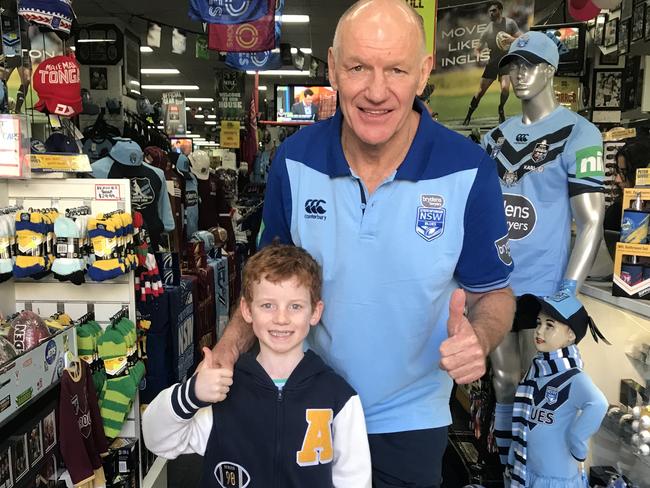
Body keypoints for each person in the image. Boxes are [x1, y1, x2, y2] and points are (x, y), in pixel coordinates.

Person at [211, 1, 516, 486]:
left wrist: (478, 338)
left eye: (396, 69)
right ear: (332, 68)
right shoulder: (294, 161)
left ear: (423, 73)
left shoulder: (468, 170)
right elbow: (264, 286)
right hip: (308, 404)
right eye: (358, 68)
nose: (377, 91)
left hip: (410, 421)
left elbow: (494, 292)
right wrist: (228, 350)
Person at [143, 244, 372, 487]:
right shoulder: (221, 390)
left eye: (295, 306)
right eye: (267, 305)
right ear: (247, 310)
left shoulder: (339, 397)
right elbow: (157, 440)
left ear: (315, 312)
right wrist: (192, 394)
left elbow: (355, 481)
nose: (281, 318)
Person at [482, 31, 605, 467]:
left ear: (550, 70)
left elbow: (592, 220)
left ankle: (537, 470)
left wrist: (568, 291)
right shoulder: (494, 138)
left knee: (543, 388)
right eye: (513, 66)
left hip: (546, 287)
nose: (519, 74)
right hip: (496, 284)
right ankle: (503, 469)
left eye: (529, 65)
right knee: (502, 380)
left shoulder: (581, 134)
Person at [507, 291, 608, 488]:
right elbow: (524, 420)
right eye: (538, 323)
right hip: (527, 472)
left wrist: (577, 442)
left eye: (549, 325)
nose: (539, 331)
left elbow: (598, 404)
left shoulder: (574, 378)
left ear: (571, 334)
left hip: (555, 479)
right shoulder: (536, 369)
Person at [463, 1, 521, 125]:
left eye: (494, 10)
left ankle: (500, 109)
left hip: (506, 61)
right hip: (492, 63)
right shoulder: (487, 30)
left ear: (500, 10)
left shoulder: (510, 24)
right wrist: (477, 55)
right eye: (490, 11)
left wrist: (512, 39)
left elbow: (523, 38)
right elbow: (477, 48)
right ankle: (468, 115)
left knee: (505, 88)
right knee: (480, 92)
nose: (491, 13)